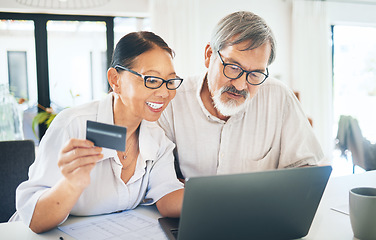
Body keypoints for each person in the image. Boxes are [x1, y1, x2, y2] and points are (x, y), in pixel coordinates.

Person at [11, 31, 184, 233]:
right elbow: (36, 220)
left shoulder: (156, 136)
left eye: (170, 81)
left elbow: (167, 195)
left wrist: (221, 198)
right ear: (115, 80)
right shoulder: (72, 125)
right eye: (152, 80)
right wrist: (71, 185)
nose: (164, 93)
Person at [157, 11, 324, 179]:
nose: (240, 85)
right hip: (189, 205)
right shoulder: (173, 99)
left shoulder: (279, 97)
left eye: (255, 74)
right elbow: (157, 176)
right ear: (209, 55)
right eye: (233, 67)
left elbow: (305, 169)